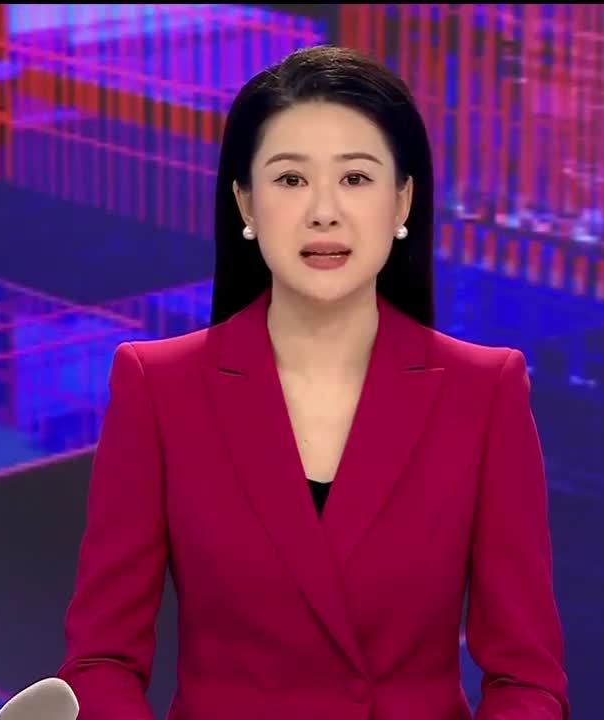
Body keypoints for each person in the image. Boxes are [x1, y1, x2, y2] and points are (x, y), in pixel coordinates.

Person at [57, 44, 569, 720]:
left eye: (355, 178)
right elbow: (102, 661)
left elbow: (527, 680)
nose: (324, 211)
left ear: (402, 200)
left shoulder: (484, 392)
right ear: (245, 202)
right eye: (291, 179)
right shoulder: (158, 388)